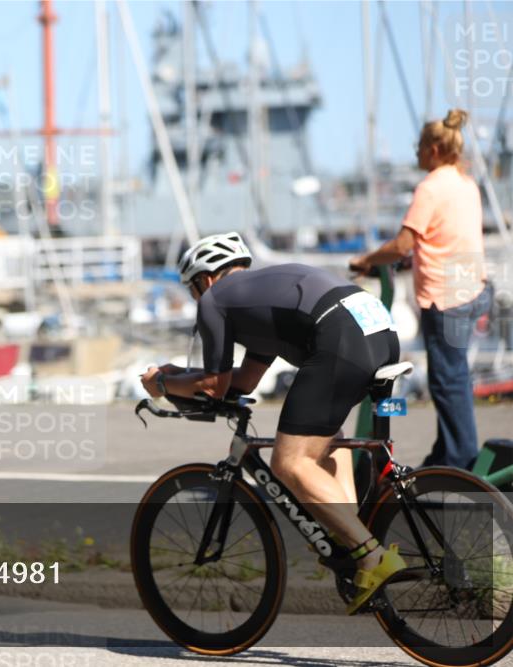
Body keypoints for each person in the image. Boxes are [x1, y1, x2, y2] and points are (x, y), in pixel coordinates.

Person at [141, 232, 406, 614]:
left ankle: (372, 558)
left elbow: (215, 386)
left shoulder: (216, 300)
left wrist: (162, 383)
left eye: (194, 289)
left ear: (206, 279)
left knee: (289, 462)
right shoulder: (260, 302)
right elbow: (241, 383)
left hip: (341, 335)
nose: (197, 299)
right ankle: (351, 532)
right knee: (326, 437)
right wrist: (183, 375)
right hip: (377, 326)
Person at [350, 109, 493, 470]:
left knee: (448, 381)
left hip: (445, 296)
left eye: (418, 146)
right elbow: (448, 237)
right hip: (471, 287)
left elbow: (401, 245)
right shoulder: (465, 183)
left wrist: (367, 259)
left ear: (432, 149)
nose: (414, 151)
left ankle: (460, 462)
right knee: (453, 375)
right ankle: (444, 455)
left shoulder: (430, 188)